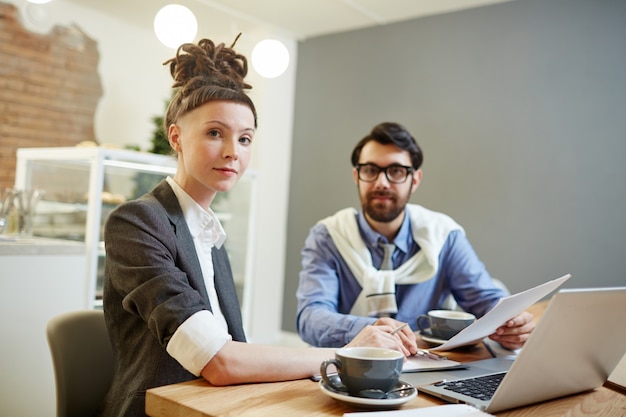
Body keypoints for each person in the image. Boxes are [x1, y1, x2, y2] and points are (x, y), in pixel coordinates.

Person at [97, 37, 409, 417]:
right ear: (176, 137)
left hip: (216, 406)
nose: (234, 151)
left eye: (245, 139)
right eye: (215, 133)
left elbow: (231, 351)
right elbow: (219, 361)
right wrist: (345, 354)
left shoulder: (210, 235)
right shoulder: (137, 222)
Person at [296, 122, 535, 353]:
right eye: (370, 170)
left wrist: (513, 323)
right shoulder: (328, 236)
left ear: (415, 179)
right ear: (356, 176)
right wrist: (365, 330)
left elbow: (485, 300)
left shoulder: (443, 236)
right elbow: (310, 317)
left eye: (396, 171)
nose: (382, 182)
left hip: (428, 366)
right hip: (348, 369)